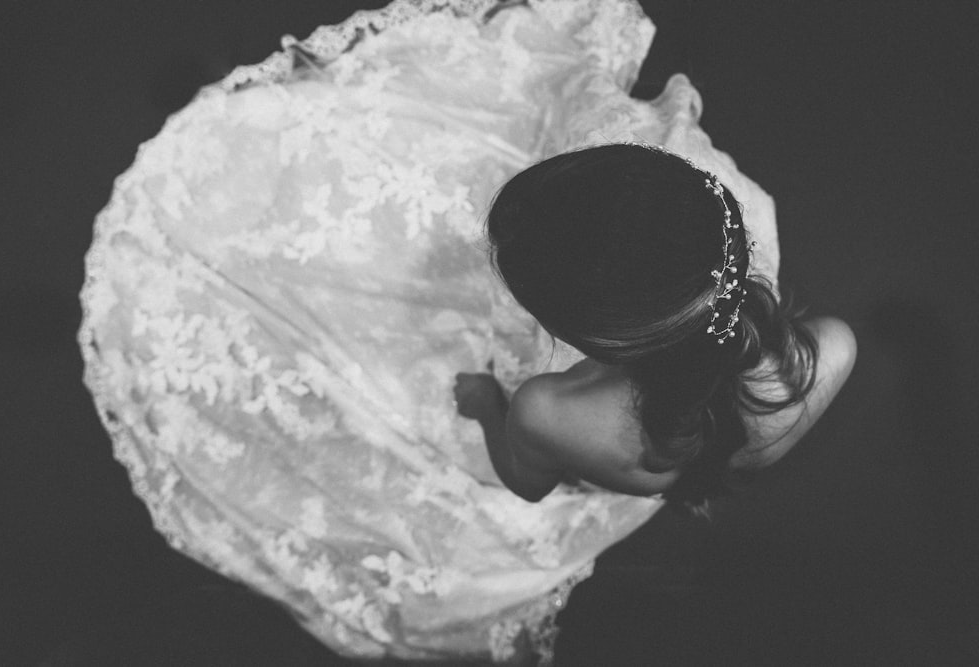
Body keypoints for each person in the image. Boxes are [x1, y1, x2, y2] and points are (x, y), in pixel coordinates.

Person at [79, 0, 853, 663]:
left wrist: (489, 400)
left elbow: (526, 479)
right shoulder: (819, 361)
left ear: (582, 331)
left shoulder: (556, 411)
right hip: (682, 439)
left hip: (623, 443)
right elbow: (778, 354)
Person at [454, 143, 856, 512]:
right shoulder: (836, 347)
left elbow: (528, 487)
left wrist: (488, 405)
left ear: (602, 339)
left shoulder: (545, 412)